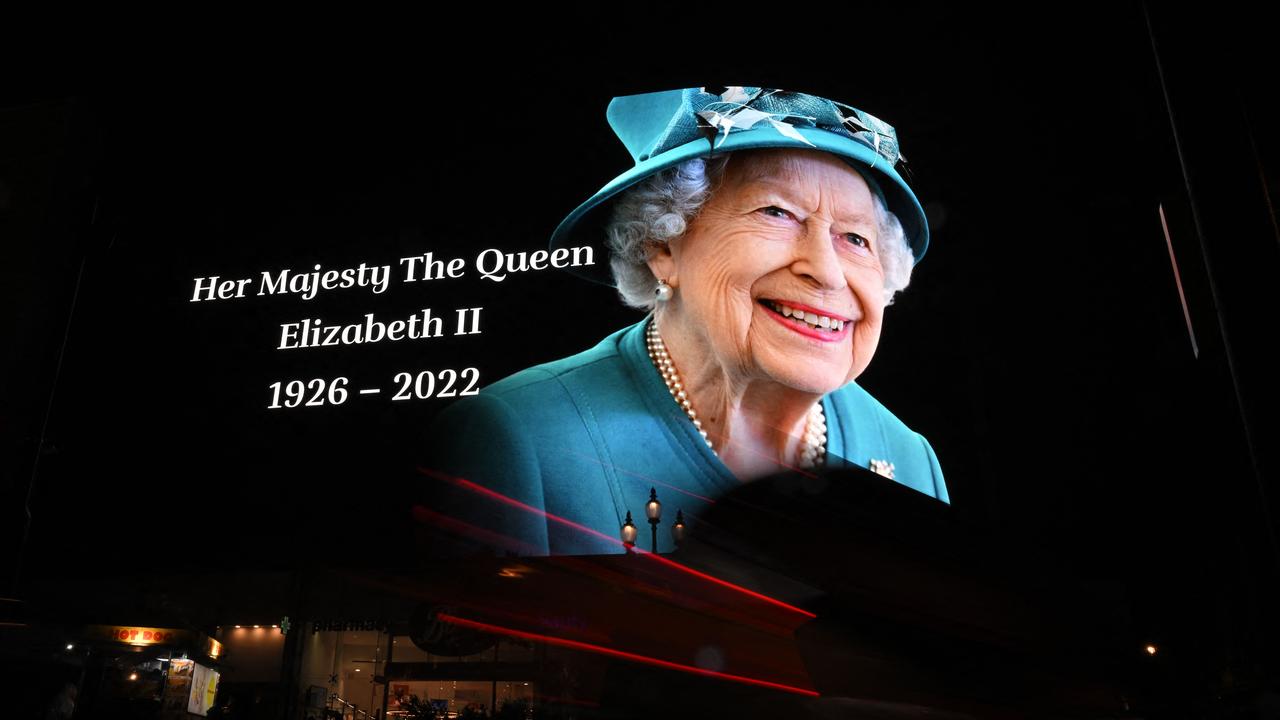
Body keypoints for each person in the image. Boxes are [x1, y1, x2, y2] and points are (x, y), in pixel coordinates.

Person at [421, 87, 949, 557]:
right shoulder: (519, 441)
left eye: (856, 239)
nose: (828, 272)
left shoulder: (910, 459)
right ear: (661, 245)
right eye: (776, 212)